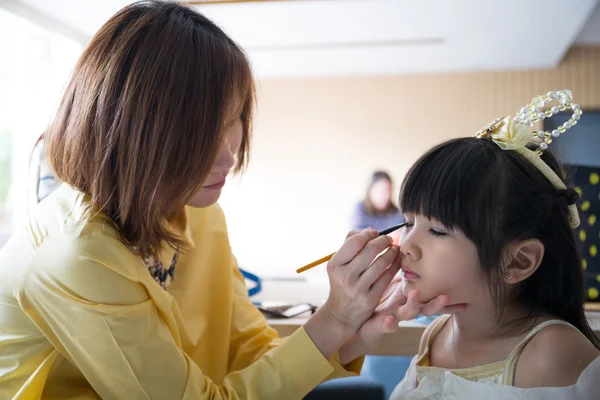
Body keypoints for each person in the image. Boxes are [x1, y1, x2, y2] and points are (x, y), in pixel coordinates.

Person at [0, 2, 456, 399]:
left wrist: (356, 329)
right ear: (130, 131)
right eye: (198, 129)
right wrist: (335, 318)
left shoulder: (199, 215)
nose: (229, 152)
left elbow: (251, 355)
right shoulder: (77, 256)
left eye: (234, 117)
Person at [388, 91, 600, 399]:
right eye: (408, 222)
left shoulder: (552, 355)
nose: (407, 245)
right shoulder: (436, 333)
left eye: (437, 230)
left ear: (517, 262)